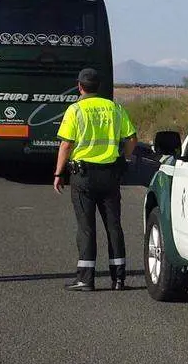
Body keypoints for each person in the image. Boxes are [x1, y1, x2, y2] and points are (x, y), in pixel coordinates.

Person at [54, 68, 138, 292]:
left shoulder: (75, 110)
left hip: (83, 177)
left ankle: (86, 279)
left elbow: (66, 144)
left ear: (79, 86)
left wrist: (58, 173)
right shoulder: (115, 108)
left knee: (86, 228)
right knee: (114, 226)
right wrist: (123, 157)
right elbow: (131, 138)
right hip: (110, 175)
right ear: (98, 86)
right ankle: (119, 279)